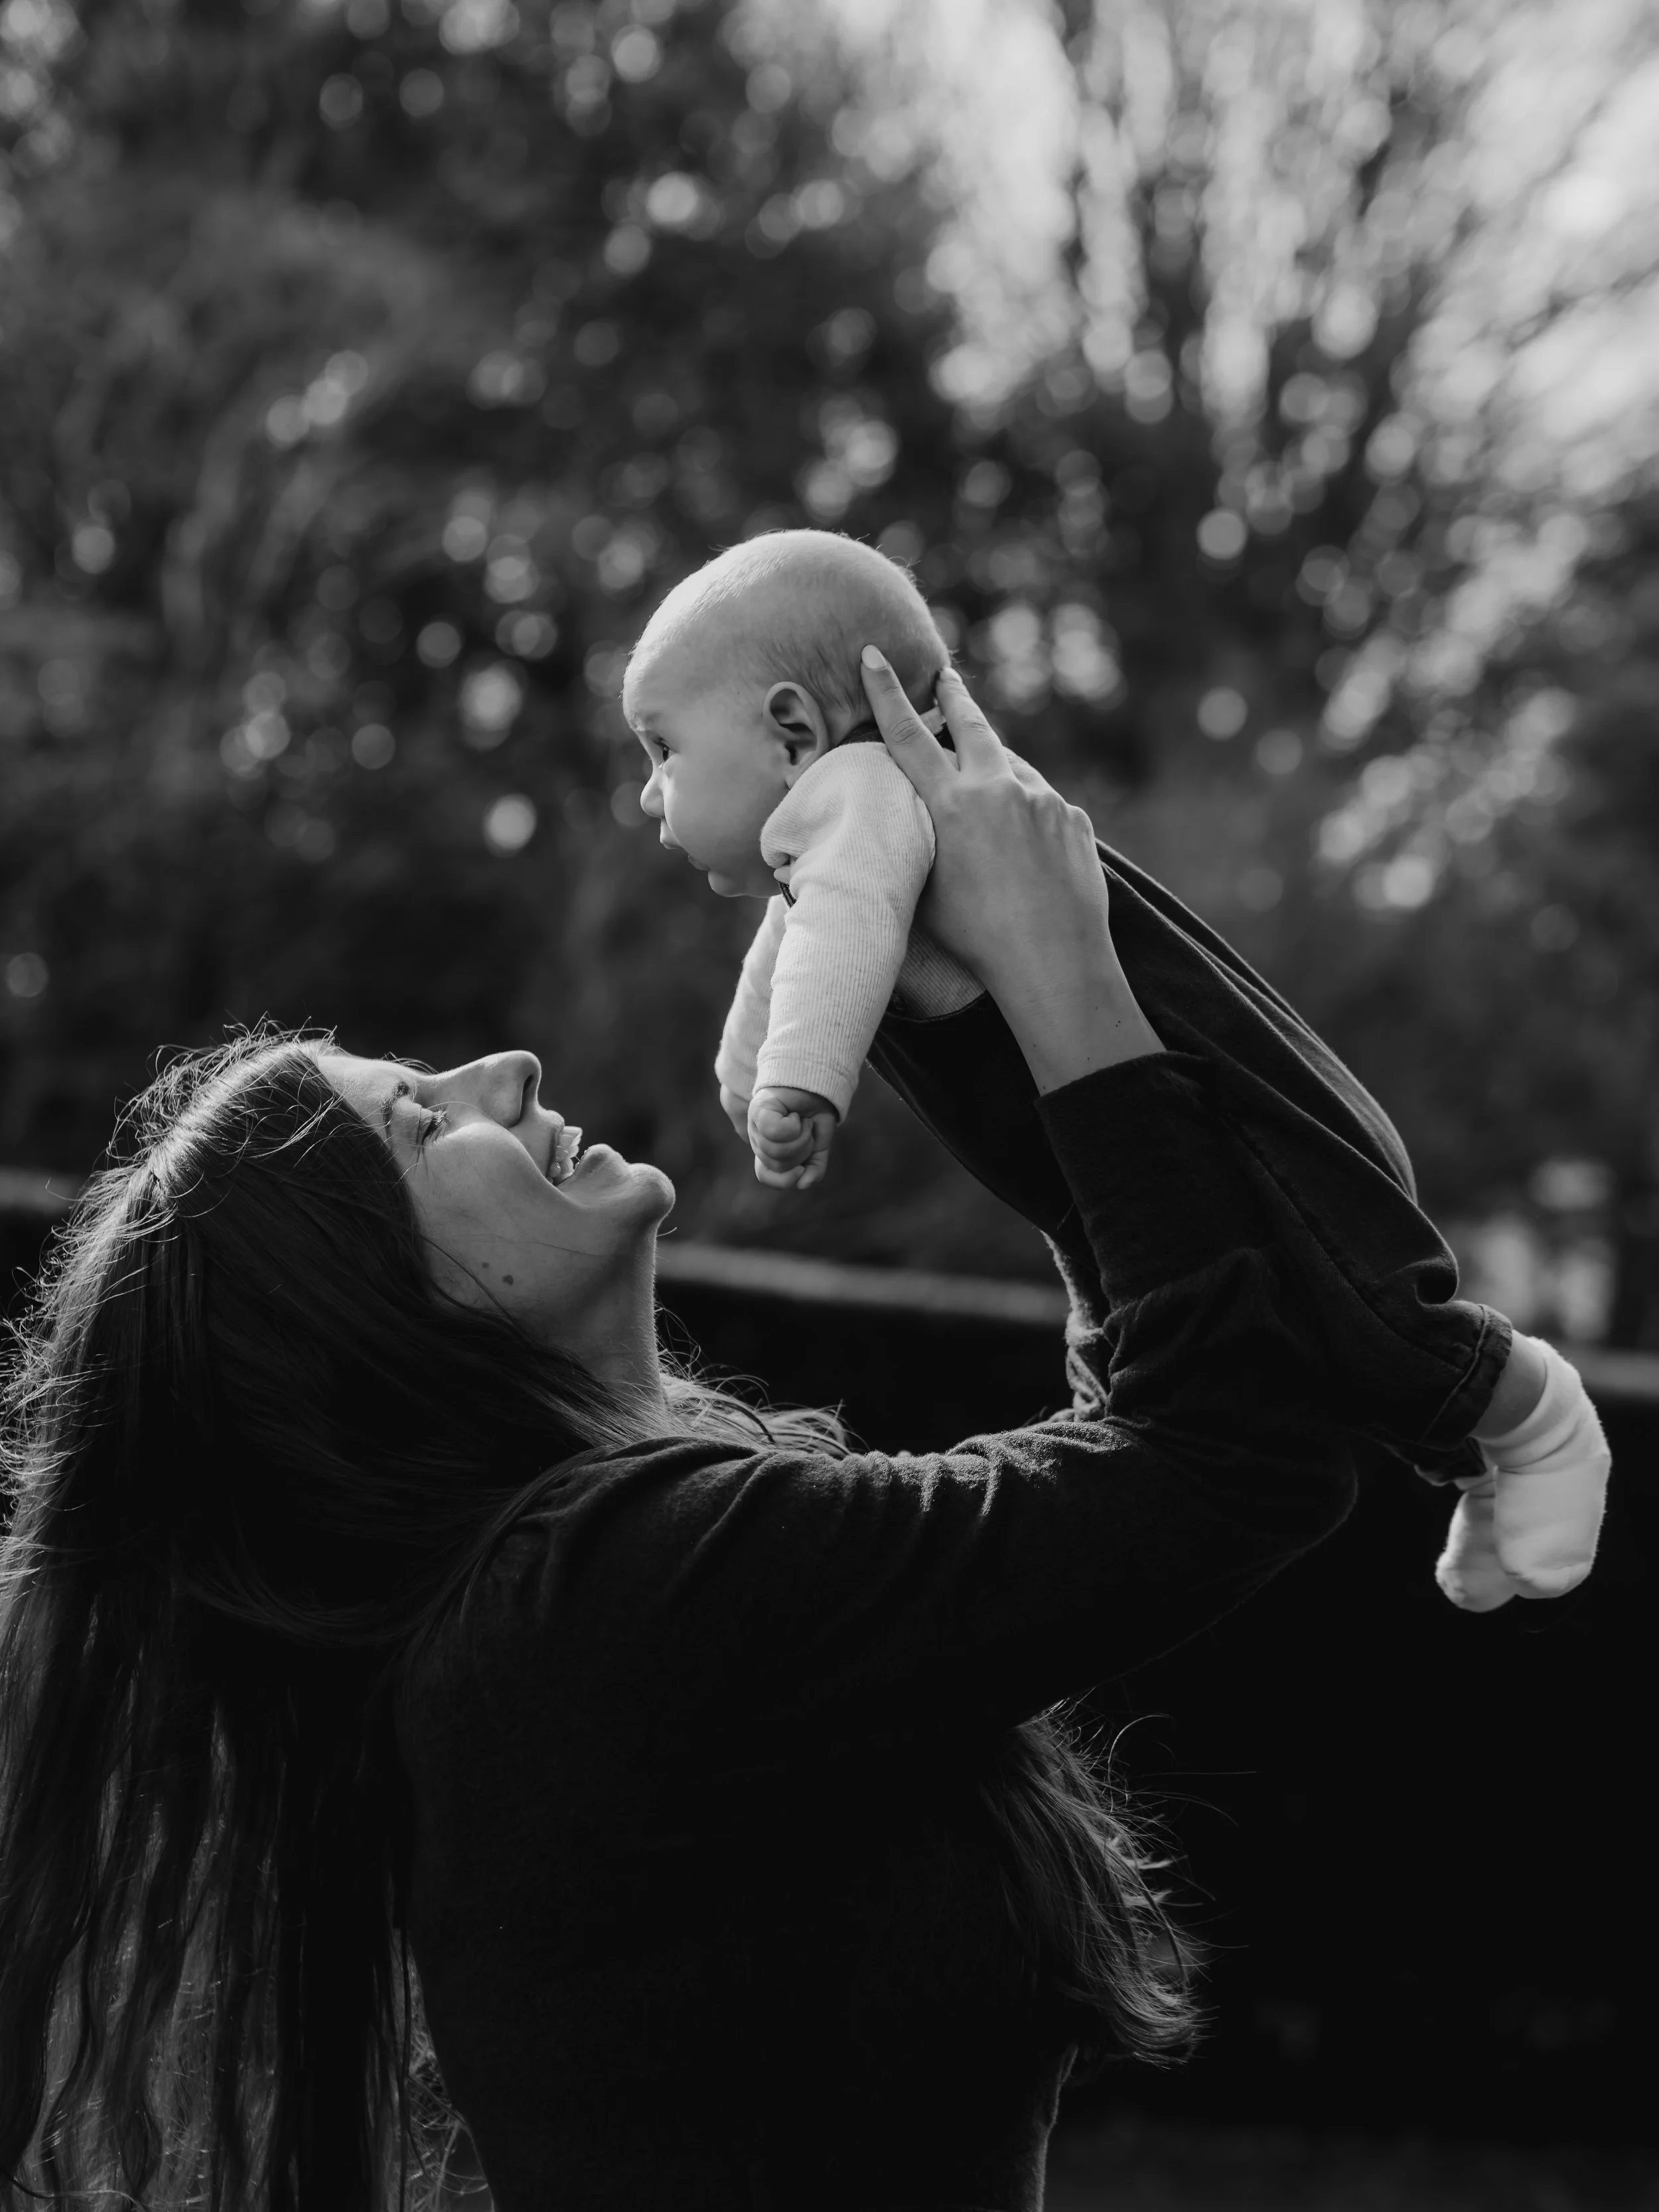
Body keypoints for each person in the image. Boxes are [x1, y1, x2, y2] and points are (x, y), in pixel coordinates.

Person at [0, 674, 1563, 2212]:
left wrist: (971, 1010)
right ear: (370, 1326)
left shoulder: (602, 1574)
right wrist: (1055, 977)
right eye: (422, 1121)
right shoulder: (605, 1590)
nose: (508, 1069)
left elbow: (1181, 1408)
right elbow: (1227, 1452)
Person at [622, 534, 1610, 1611]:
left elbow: (840, 932)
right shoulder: (831, 838)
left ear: (792, 731)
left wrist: (796, 1085)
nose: (646, 793)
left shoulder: (862, 794)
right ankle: (1479, 1472)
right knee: (1248, 1352)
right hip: (1115, 1159)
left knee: (1367, 1323)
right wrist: (747, 1070)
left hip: (1230, 1114)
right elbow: (797, 946)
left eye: (662, 749)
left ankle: (1541, 1417)